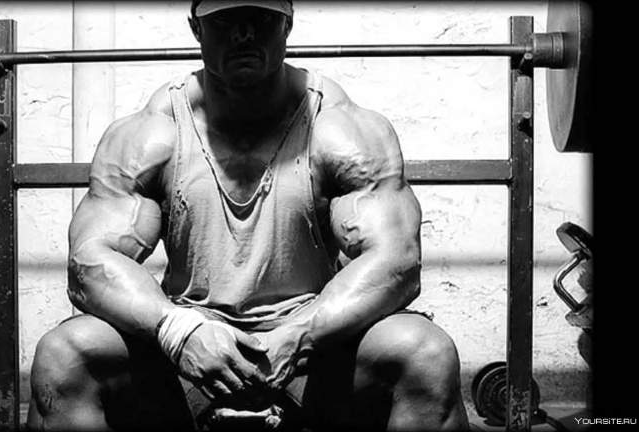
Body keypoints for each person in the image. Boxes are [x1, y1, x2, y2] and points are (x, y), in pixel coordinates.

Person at [27, 1, 469, 430]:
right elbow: (89, 263)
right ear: (196, 28)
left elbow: (397, 262)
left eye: (260, 17)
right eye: (226, 20)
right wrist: (179, 332)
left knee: (425, 353)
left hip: (313, 351)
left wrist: (300, 334)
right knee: (65, 354)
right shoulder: (152, 133)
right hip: (189, 353)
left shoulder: (339, 128)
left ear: (287, 24)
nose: (243, 34)